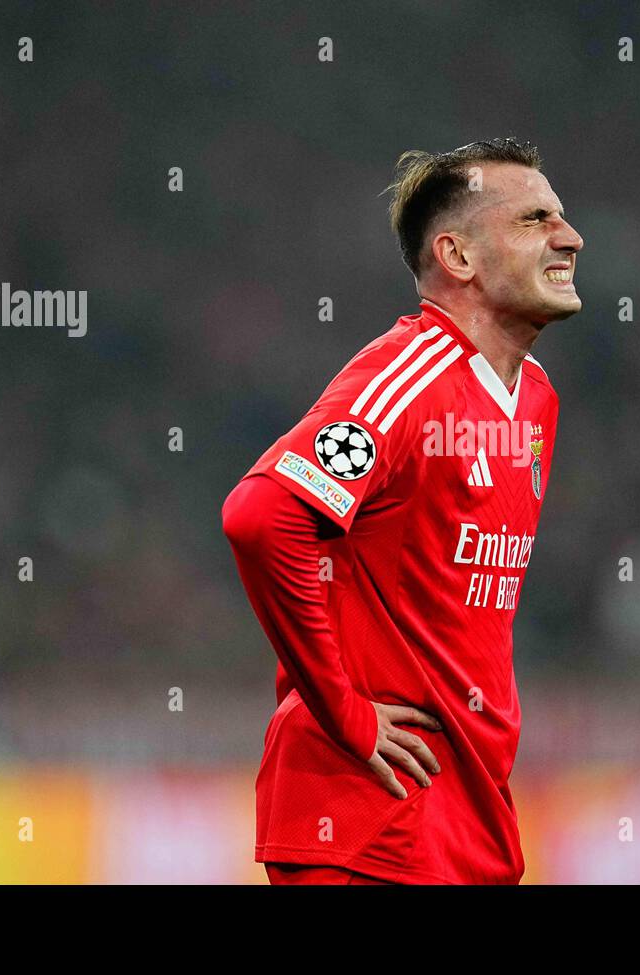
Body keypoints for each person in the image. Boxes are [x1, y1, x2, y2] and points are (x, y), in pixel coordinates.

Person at [222, 137, 584, 884]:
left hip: (467, 820)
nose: (569, 237)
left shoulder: (537, 399)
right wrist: (345, 712)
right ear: (457, 256)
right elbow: (262, 516)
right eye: (534, 219)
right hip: (370, 818)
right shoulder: (410, 376)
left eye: (563, 217)